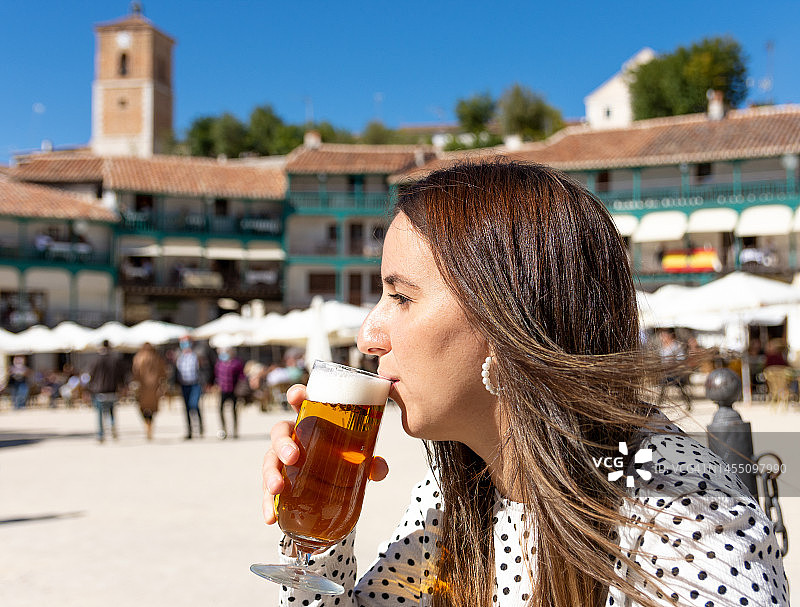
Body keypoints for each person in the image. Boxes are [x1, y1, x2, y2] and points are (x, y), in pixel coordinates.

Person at [261, 160, 787, 607]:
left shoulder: (681, 518)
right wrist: (318, 535)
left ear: (508, 321)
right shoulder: (460, 485)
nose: (368, 335)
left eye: (401, 297)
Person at [86, 340, 126, 443]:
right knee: (111, 412)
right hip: (112, 390)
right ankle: (112, 425)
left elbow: (90, 376)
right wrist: (122, 388)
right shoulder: (115, 360)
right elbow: (121, 376)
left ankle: (100, 435)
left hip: (99, 391)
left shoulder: (96, 360)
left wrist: (88, 389)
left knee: (100, 414)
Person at [132, 342, 167, 440]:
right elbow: (163, 372)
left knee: (143, 408)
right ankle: (150, 425)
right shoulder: (156, 357)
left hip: (142, 388)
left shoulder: (138, 357)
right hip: (154, 388)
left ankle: (147, 425)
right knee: (152, 408)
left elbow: (135, 372)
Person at [655, 328, 693, 411]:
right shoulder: (663, 348)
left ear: (670, 335)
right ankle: (659, 404)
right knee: (663, 387)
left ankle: (688, 403)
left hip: (676, 373)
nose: (662, 338)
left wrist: (673, 362)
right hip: (666, 372)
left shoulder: (676, 346)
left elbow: (681, 359)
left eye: (664, 335)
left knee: (681, 388)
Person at [176, 335, 204, 439]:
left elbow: (204, 368)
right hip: (184, 384)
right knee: (186, 407)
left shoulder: (197, 354)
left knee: (194, 405)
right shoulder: (179, 356)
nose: (185, 344)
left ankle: (200, 427)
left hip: (195, 384)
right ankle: (189, 430)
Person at [213, 347, 245, 439]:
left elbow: (241, 376)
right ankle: (223, 429)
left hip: (234, 390)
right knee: (220, 409)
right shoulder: (219, 363)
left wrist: (240, 387)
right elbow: (216, 375)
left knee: (234, 410)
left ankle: (234, 430)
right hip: (223, 390)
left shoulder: (237, 363)